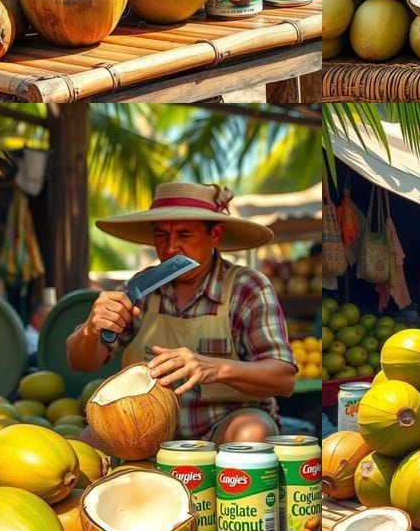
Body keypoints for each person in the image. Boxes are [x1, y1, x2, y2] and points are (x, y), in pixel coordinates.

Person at [65, 183, 296, 444]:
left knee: (251, 433)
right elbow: (80, 362)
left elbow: (283, 379)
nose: (171, 247)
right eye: (161, 235)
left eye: (185, 235)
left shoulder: (247, 289)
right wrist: (90, 329)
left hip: (222, 426)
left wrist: (215, 367)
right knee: (82, 449)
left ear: (216, 234)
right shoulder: (141, 288)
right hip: (143, 428)